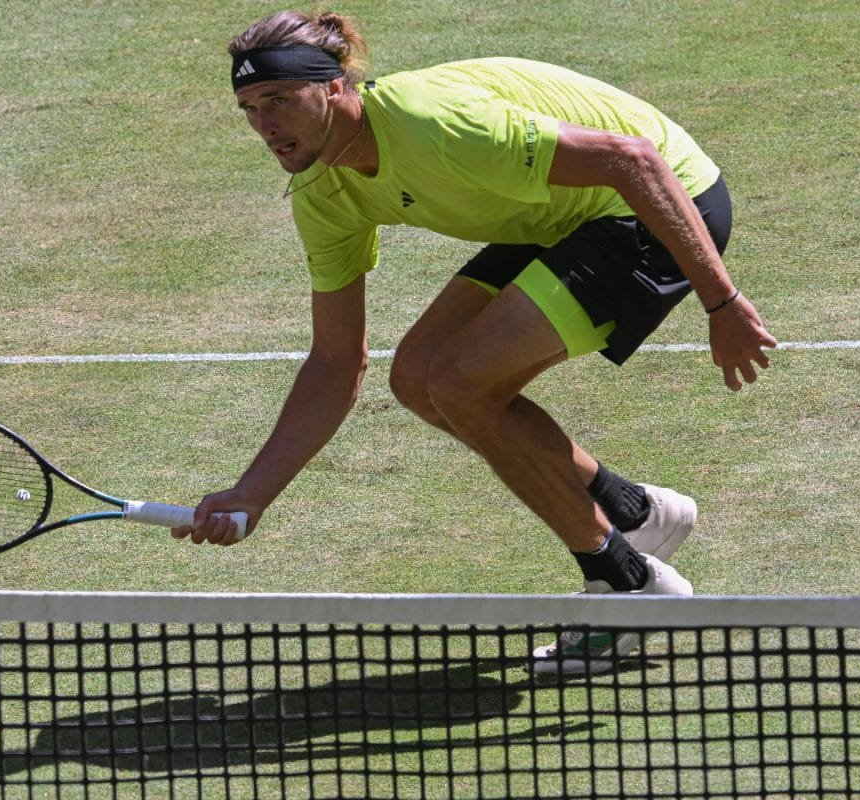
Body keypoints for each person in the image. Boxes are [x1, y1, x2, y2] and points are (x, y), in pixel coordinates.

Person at [172, 10, 777, 673]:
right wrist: (252, 492)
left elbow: (632, 159)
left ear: (336, 87)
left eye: (280, 100)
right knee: (418, 377)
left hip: (656, 201)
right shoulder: (322, 193)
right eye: (250, 107)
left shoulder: (435, 126)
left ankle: (626, 583)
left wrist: (722, 301)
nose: (265, 125)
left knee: (460, 381)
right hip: (555, 212)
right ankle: (632, 511)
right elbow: (337, 358)